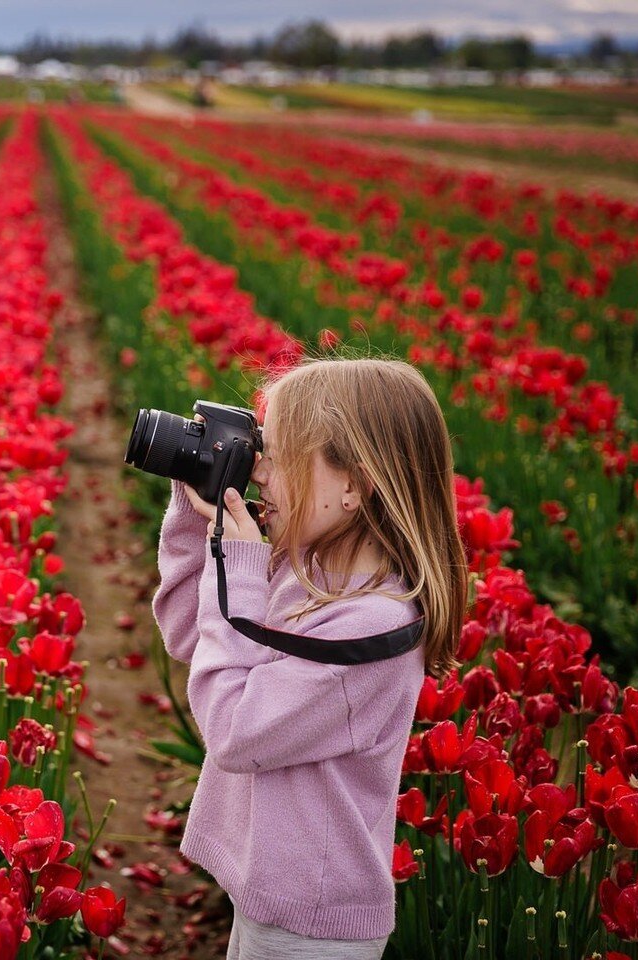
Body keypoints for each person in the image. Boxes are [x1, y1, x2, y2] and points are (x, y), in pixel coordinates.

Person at [152, 358, 466, 960]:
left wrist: (240, 565)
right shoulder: (311, 573)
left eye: (280, 455)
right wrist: (201, 523)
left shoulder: (372, 628)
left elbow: (236, 733)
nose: (260, 473)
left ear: (354, 483)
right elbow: (192, 637)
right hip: (272, 893)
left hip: (314, 925)